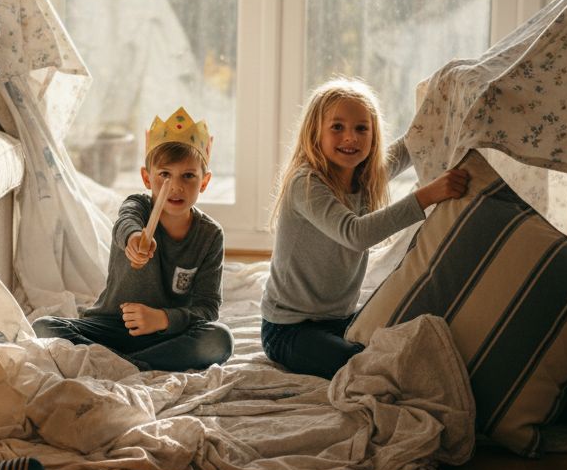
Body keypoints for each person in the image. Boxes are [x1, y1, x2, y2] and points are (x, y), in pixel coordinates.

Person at [261, 78, 469, 379]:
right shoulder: (305, 183)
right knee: (365, 366)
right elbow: (356, 235)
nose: (351, 138)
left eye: (361, 128)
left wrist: (450, 102)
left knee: (405, 337)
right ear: (314, 133)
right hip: (289, 328)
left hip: (340, 319)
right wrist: (428, 195)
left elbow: (412, 145)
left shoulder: (364, 178)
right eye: (337, 127)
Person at [33, 107, 233, 372]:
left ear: (204, 182)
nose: (175, 187)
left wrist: (162, 319)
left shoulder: (210, 235)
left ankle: (123, 363)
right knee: (42, 327)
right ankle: (140, 364)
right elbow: (126, 223)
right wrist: (135, 239)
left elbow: (207, 309)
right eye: (164, 175)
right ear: (146, 178)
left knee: (219, 340)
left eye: (188, 176)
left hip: (167, 332)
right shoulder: (137, 206)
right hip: (112, 324)